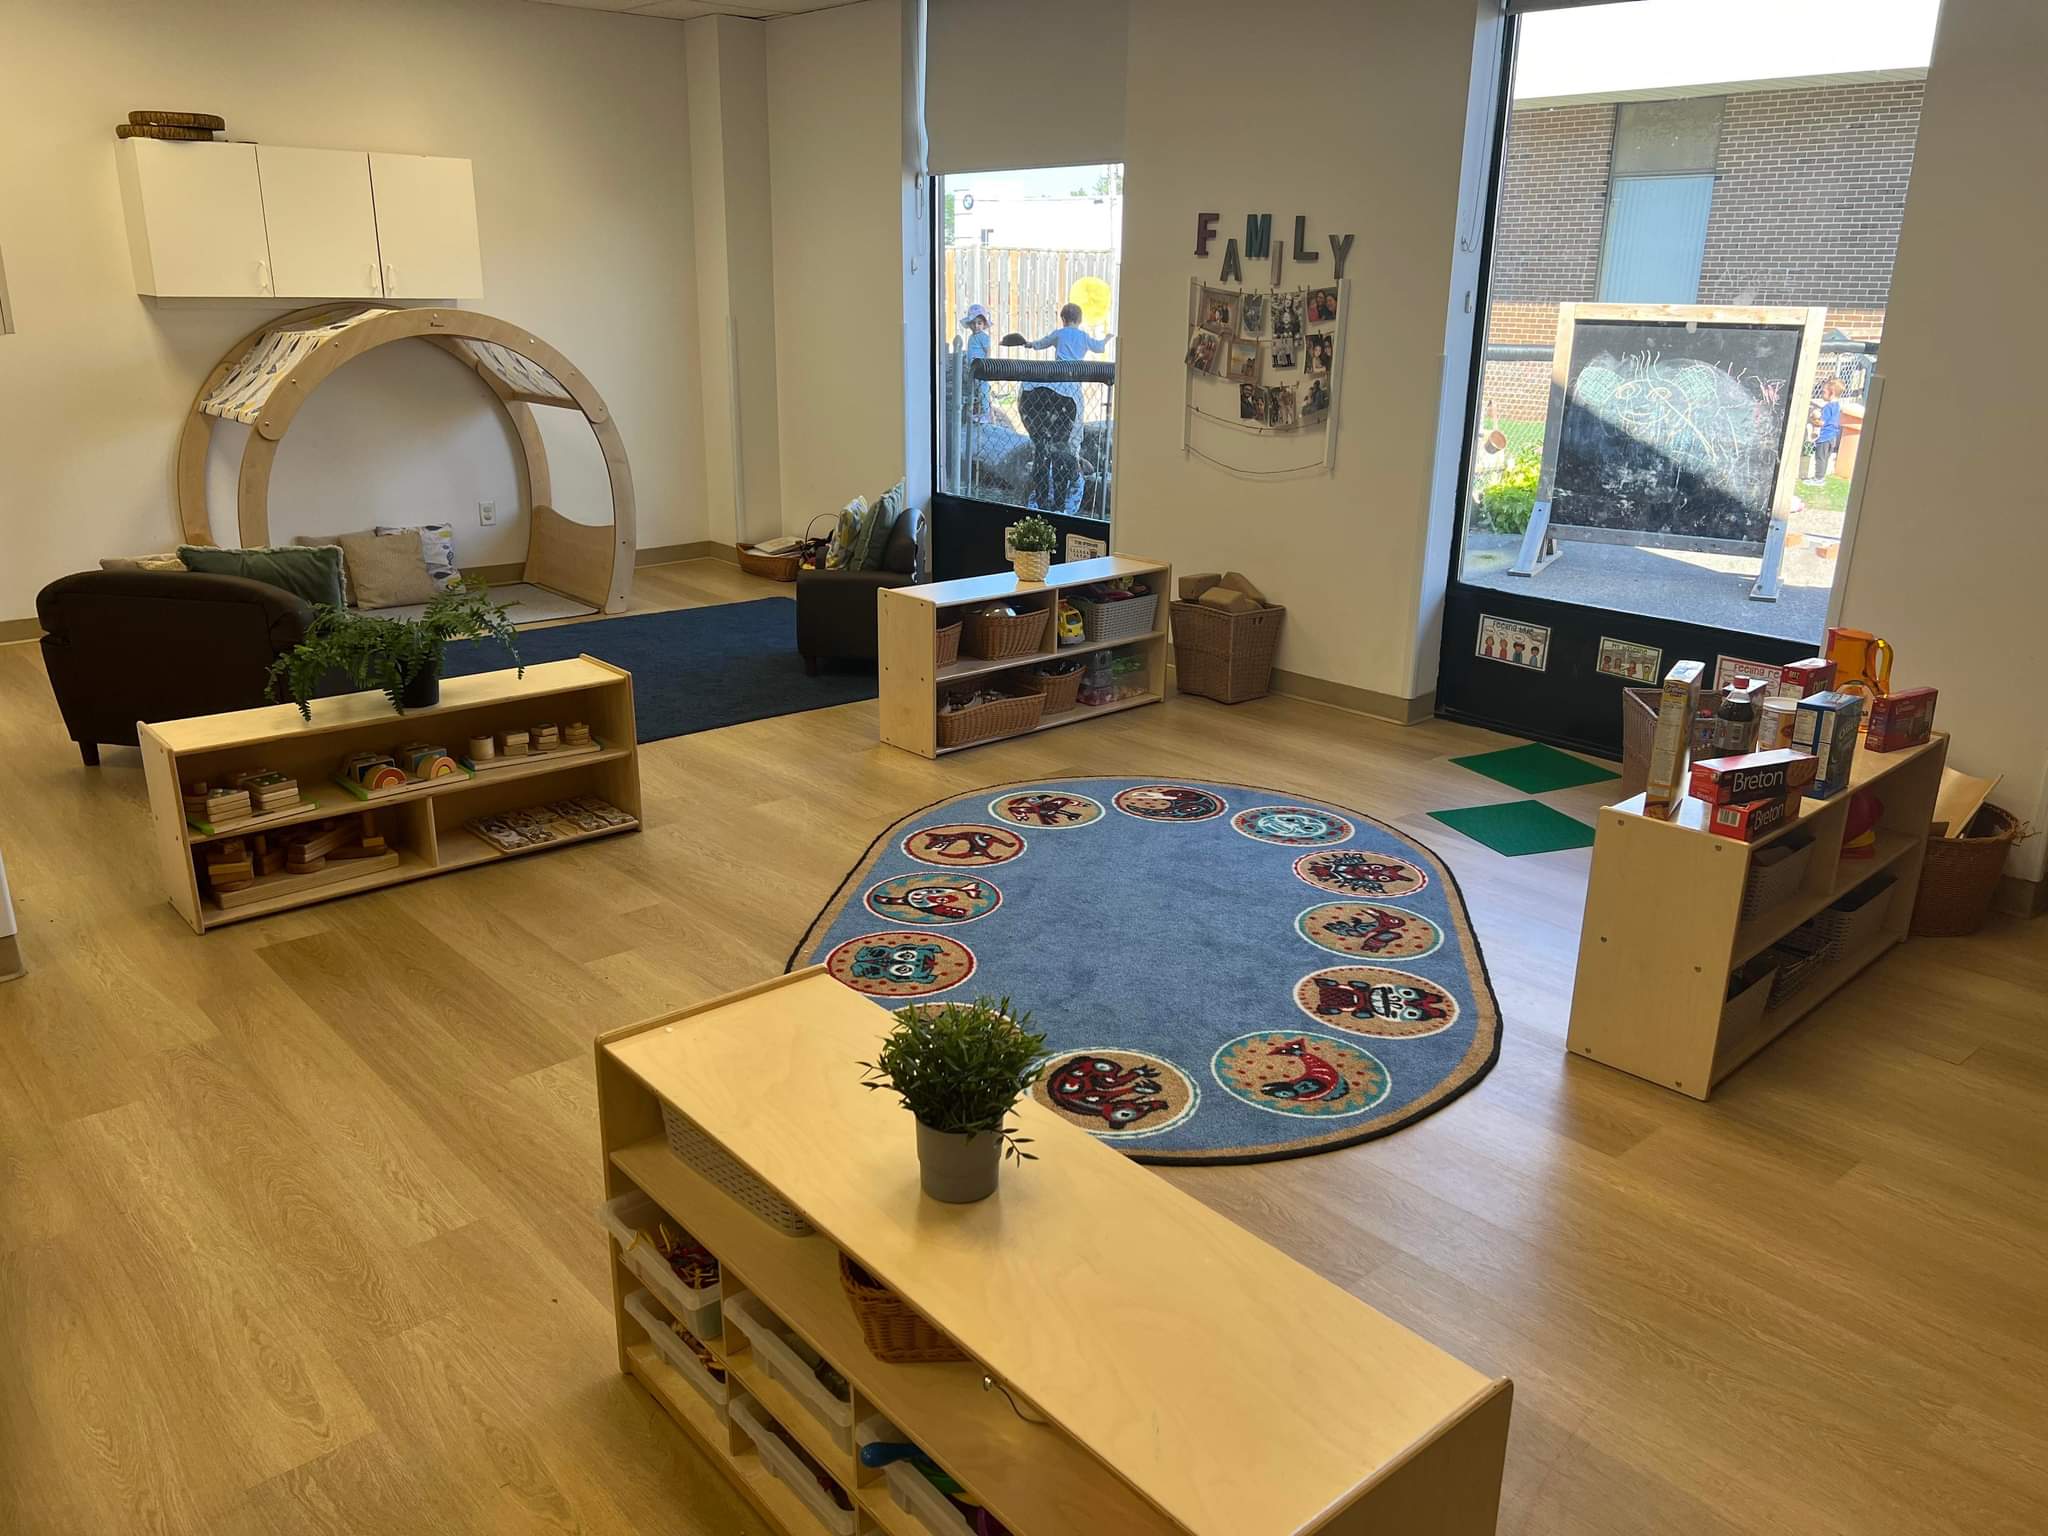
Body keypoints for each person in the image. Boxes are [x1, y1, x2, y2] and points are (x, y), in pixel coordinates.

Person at [1006, 303, 1110, 513]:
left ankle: (1041, 499)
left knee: (1041, 448)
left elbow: (1040, 343)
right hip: (1070, 386)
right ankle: (1060, 505)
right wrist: (1107, 338)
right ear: (1080, 320)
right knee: (1066, 444)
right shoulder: (1083, 337)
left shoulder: (1060, 333)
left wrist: (1028, 344)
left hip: (1052, 379)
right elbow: (1099, 348)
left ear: (1063, 319)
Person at [1805, 377, 1845, 484]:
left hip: (1824, 437)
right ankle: (1821, 477)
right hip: (1832, 437)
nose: (1821, 394)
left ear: (1831, 393)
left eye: (1823, 392)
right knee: (1825, 458)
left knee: (1820, 458)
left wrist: (1812, 419)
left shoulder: (1828, 407)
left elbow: (1822, 423)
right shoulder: (1837, 406)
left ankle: (1818, 479)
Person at [960, 304, 993, 423]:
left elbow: (987, 351)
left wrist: (986, 364)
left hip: (981, 367)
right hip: (973, 368)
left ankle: (986, 414)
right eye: (973, 323)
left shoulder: (983, 337)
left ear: (984, 324)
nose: (976, 326)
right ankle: (978, 411)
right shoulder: (972, 337)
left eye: (979, 323)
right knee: (976, 391)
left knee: (983, 390)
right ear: (969, 324)